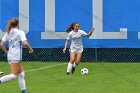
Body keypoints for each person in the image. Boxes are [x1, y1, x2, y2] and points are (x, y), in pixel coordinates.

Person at [0, 18, 33, 93]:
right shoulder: (20, 32)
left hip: (11, 56)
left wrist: (6, 52)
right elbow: (25, 43)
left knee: (21, 74)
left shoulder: (8, 32)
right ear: (18, 24)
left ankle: (24, 92)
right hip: (16, 56)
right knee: (14, 75)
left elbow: (1, 44)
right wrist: (30, 49)